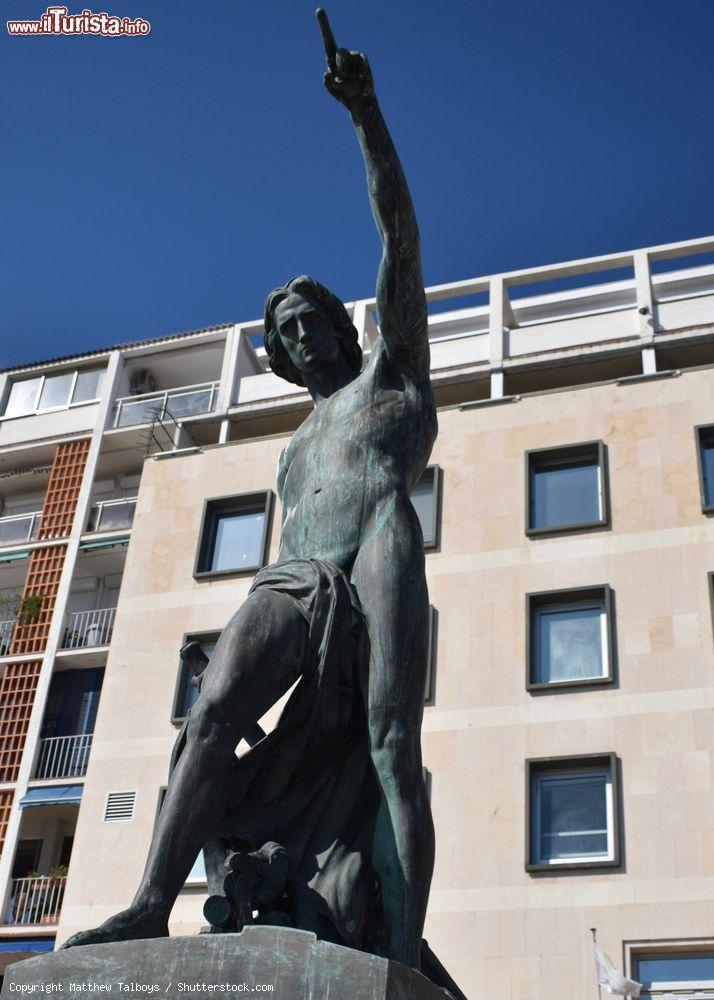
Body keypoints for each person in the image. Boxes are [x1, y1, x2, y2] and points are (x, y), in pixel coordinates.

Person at [63, 10, 436, 970]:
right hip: (299, 582)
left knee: (394, 748)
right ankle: (150, 902)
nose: (305, 333)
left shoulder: (391, 373)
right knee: (212, 711)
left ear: (345, 331)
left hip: (380, 557)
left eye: (315, 317)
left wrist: (368, 116)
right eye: (288, 330)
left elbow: (398, 232)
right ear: (277, 359)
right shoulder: (293, 446)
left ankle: (400, 945)